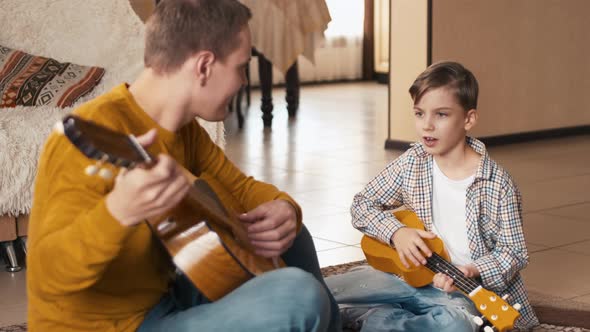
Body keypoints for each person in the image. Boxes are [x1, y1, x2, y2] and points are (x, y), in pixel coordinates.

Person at [26, 0, 340, 331]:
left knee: (291, 233)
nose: (243, 82)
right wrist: (118, 211)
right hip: (116, 326)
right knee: (299, 296)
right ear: (204, 66)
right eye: (240, 68)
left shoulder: (185, 130)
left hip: (168, 295)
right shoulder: (90, 134)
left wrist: (286, 209)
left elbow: (241, 188)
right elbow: (48, 278)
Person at [325, 61, 539, 331]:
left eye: (441, 115)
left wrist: (471, 270)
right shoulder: (414, 161)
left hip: (464, 295)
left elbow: (514, 253)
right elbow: (362, 204)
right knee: (317, 290)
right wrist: (397, 233)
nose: (427, 125)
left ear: (468, 119)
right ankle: (380, 315)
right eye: (419, 113)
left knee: (456, 324)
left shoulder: (497, 185)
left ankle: (371, 319)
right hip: (405, 278)